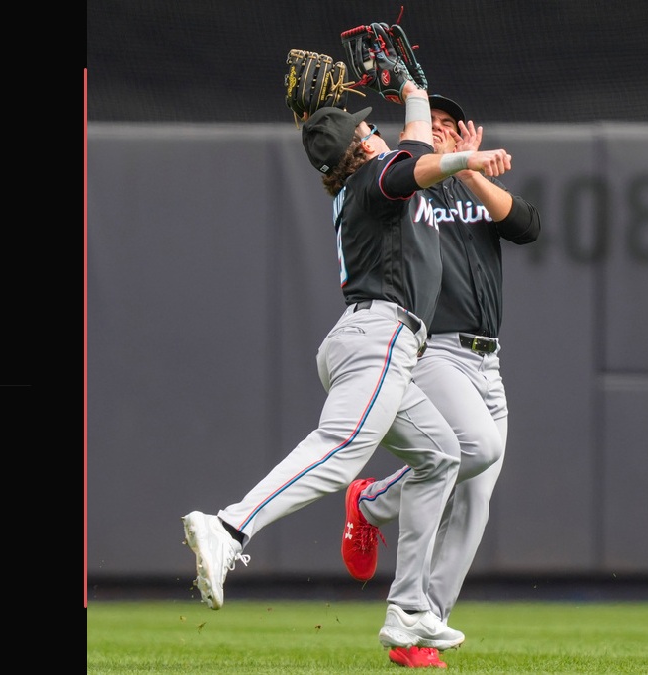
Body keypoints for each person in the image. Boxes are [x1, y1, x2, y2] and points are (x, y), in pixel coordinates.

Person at [181, 79, 518, 653]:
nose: (374, 128)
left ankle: (409, 610)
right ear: (361, 149)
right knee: (338, 451)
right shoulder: (376, 178)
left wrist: (415, 88)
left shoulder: (363, 175)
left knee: (441, 457)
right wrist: (468, 157)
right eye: (365, 128)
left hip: (369, 337)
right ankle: (229, 526)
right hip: (382, 336)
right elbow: (415, 165)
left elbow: (410, 147)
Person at [340, 94, 541, 668]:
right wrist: (435, 157)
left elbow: (527, 226)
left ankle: (420, 629)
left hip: (487, 360)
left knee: (475, 497)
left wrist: (474, 173)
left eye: (454, 126)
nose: (446, 133)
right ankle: (374, 499)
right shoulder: (409, 185)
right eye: (437, 125)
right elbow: (403, 177)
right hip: (436, 349)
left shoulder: (475, 193)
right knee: (476, 447)